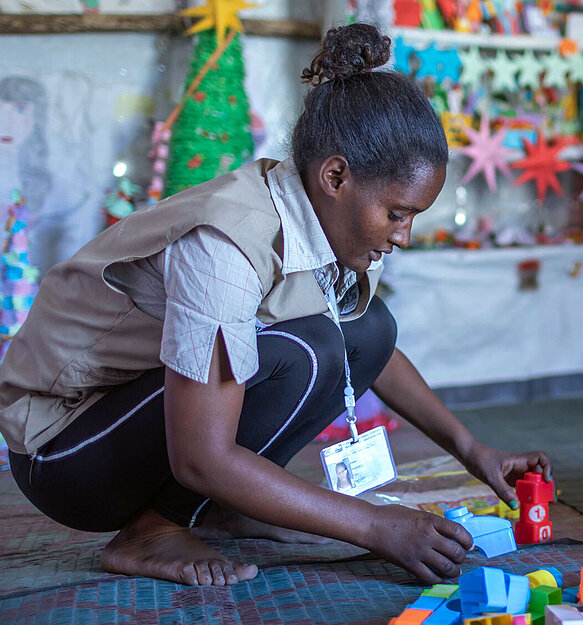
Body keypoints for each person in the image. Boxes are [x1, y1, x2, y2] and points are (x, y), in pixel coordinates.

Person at [0, 24, 550, 588]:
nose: (404, 235)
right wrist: (375, 526)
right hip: (64, 451)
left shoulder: (334, 219)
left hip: (138, 418)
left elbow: (373, 351)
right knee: (303, 351)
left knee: (371, 328)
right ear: (335, 176)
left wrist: (470, 448)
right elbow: (200, 458)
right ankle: (153, 529)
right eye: (398, 213)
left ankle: (218, 508)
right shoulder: (225, 244)